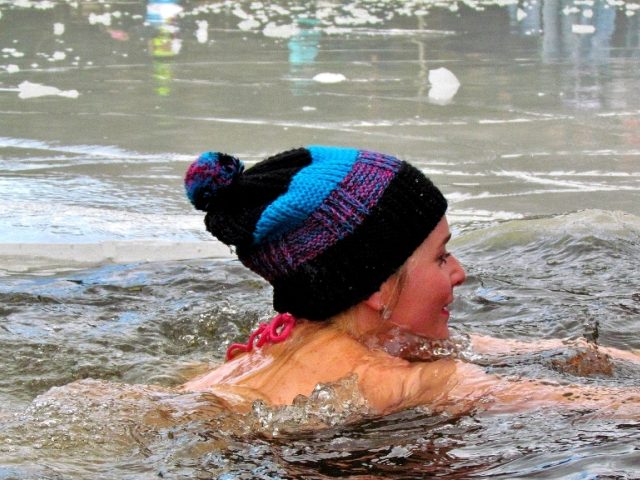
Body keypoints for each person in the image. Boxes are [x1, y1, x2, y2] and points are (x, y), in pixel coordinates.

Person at [181, 145, 639, 419]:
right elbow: (587, 406)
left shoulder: (258, 357)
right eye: (440, 257)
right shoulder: (400, 381)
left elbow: (520, 349)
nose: (459, 272)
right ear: (375, 286)